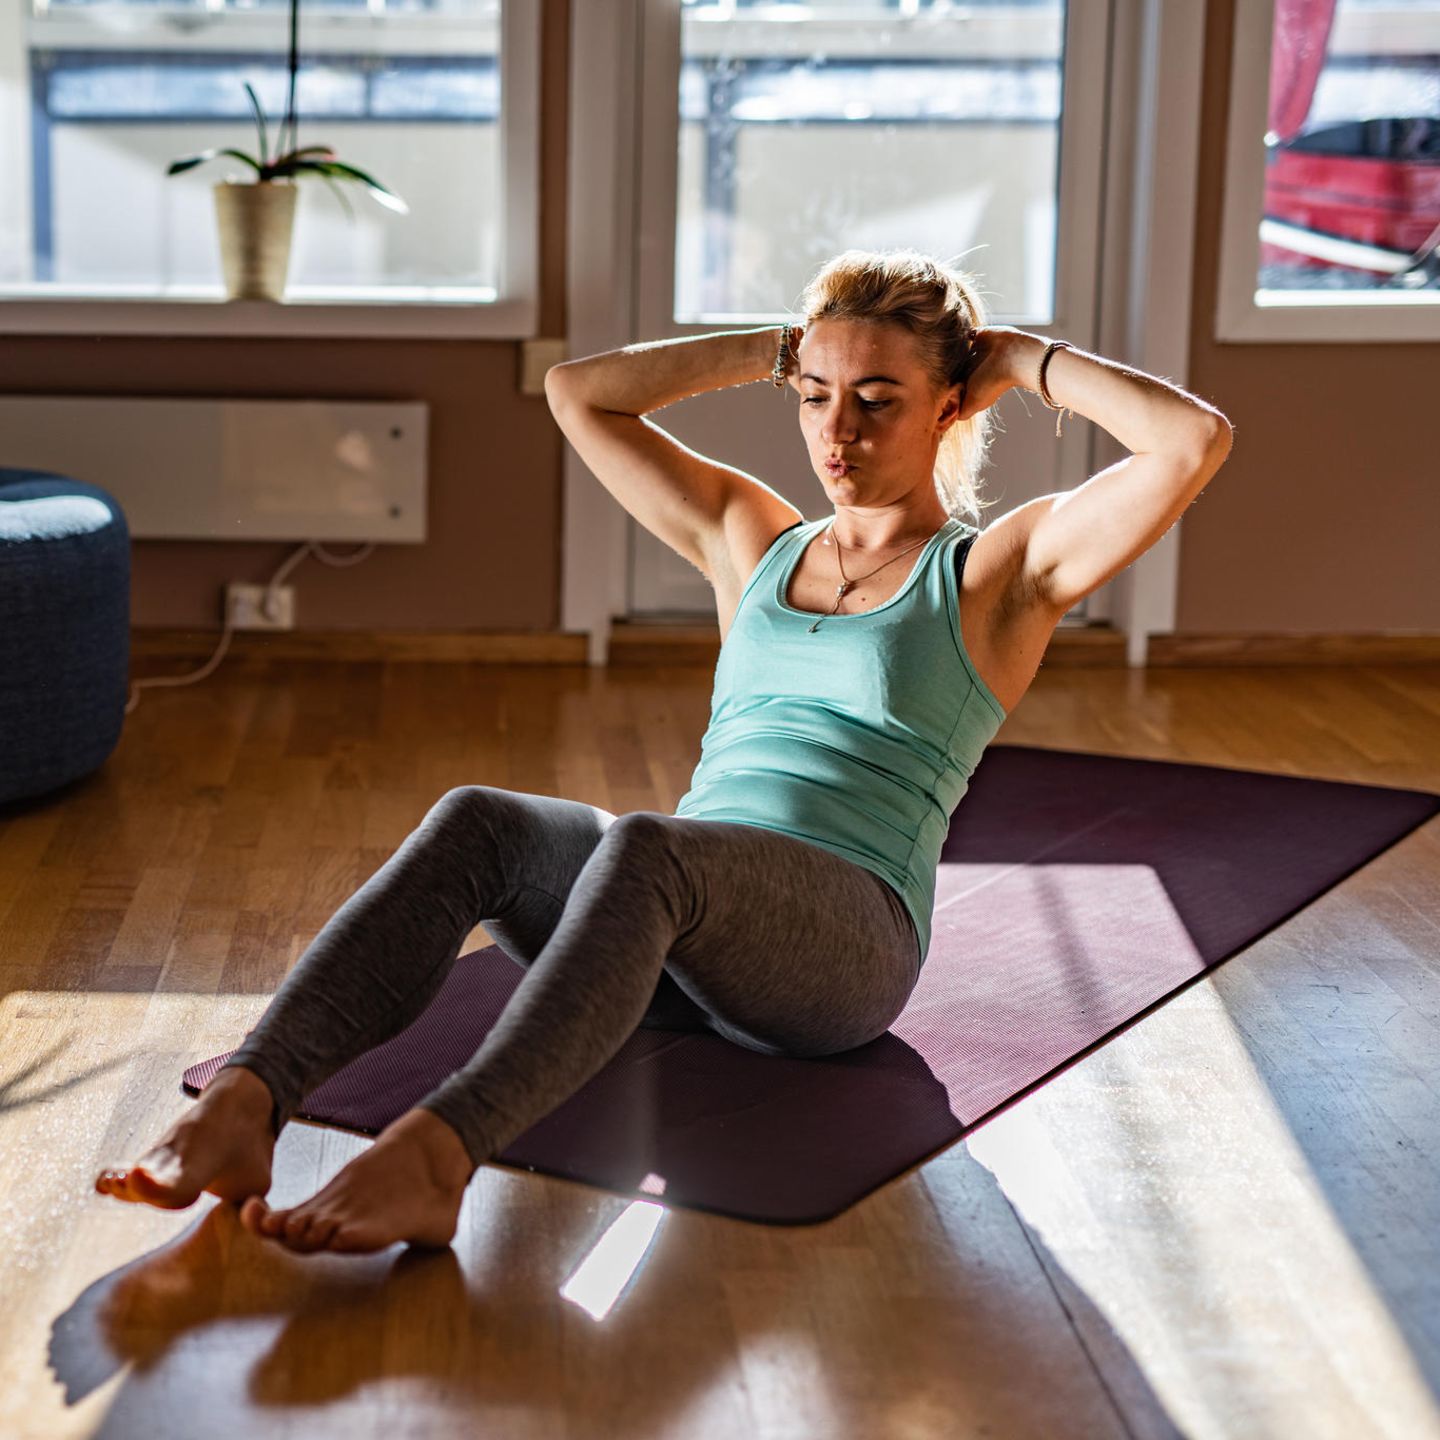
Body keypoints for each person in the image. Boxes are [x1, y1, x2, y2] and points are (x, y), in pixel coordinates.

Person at [95, 248, 1232, 1254]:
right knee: (482, 817)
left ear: (949, 406)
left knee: (651, 846)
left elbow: (1193, 441)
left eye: (879, 399)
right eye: (817, 395)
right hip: (680, 933)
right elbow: (578, 395)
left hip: (841, 944)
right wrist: (777, 346)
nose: (839, 431)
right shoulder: (753, 540)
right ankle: (248, 1101)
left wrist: (1024, 358)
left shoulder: (993, 573)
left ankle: (442, 1153)